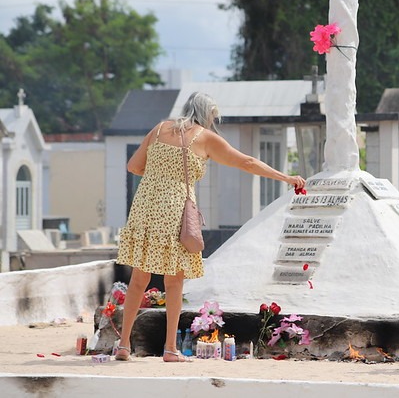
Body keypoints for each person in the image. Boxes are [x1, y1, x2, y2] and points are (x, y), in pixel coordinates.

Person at [114, 92, 306, 362]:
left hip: (145, 205)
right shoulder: (203, 137)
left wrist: (161, 176)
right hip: (176, 210)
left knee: (138, 279)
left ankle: (123, 345)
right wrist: (285, 177)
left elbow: (133, 166)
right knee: (174, 281)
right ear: (207, 115)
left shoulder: (159, 128)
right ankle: (170, 348)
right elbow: (246, 162)